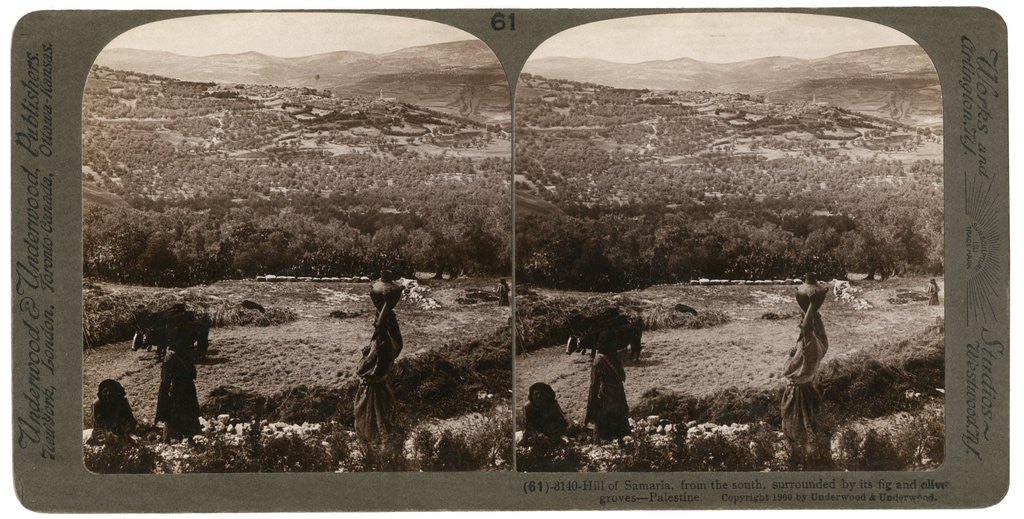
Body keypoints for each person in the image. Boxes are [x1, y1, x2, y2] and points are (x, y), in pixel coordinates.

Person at [781, 272, 831, 469]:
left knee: (799, 435)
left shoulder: (810, 346)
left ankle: (802, 468)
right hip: (811, 391)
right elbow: (813, 326)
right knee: (814, 433)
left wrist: (811, 304)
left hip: (799, 396)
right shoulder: (821, 343)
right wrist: (812, 310)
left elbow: (807, 327)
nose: (799, 324)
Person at [354, 270, 404, 441]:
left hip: (375, 391)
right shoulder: (391, 336)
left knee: (375, 431)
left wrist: (385, 307)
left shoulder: (386, 341)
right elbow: (382, 329)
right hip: (381, 387)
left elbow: (381, 327)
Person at [155, 340, 202, 442]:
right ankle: (191, 436)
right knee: (190, 414)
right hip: (188, 389)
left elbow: (165, 379)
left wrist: (164, 396)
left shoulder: (169, 358)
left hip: (175, 391)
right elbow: (194, 374)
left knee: (172, 414)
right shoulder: (187, 355)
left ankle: (171, 438)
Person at [585, 341, 631, 444]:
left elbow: (594, 385)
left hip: (605, 396)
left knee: (599, 417)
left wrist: (591, 405)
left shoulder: (598, 360)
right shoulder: (616, 358)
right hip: (619, 395)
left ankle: (597, 444)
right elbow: (623, 377)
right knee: (620, 419)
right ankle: (622, 442)